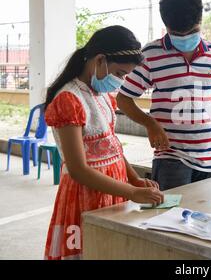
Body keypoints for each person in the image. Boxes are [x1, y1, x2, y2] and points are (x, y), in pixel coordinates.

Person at [43, 26, 164, 260]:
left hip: (113, 189)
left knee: (109, 250)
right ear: (100, 60)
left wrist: (134, 179)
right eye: (120, 73)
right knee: (88, 250)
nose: (121, 81)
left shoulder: (102, 96)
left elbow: (113, 147)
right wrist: (131, 191)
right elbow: (78, 170)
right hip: (85, 195)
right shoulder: (69, 99)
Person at [117, 0, 211, 191]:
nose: (186, 38)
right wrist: (150, 123)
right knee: (170, 218)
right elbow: (123, 99)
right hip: (171, 158)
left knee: (209, 219)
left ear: (200, 22)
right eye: (177, 34)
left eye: (193, 32)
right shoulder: (151, 54)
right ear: (166, 26)